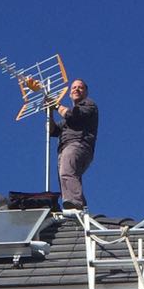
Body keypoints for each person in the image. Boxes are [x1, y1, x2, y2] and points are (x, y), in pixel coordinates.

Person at [49, 78, 98, 209]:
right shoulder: (67, 120)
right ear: (70, 94)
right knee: (67, 177)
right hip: (64, 148)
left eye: (80, 87)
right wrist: (50, 113)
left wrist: (57, 105)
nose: (76, 89)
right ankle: (79, 206)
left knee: (67, 172)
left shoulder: (89, 105)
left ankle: (75, 203)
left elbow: (72, 115)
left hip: (78, 144)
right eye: (74, 88)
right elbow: (52, 131)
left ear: (86, 93)